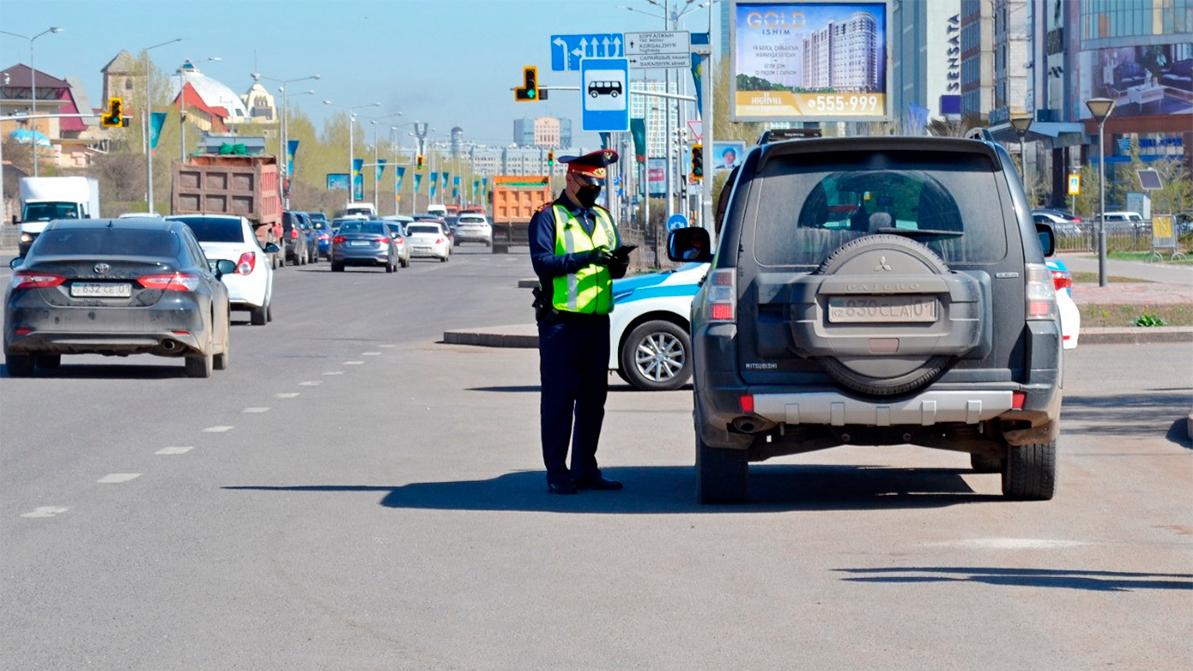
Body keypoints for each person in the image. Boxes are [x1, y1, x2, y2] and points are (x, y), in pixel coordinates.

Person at [528, 149, 628, 495]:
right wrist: (586, 258)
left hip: (597, 322)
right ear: (570, 179)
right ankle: (557, 471)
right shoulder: (548, 217)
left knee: (593, 399)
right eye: (588, 181)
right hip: (561, 324)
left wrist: (617, 264)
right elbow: (542, 262)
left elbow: (611, 262)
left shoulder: (601, 217)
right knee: (559, 399)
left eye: (599, 183)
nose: (594, 188)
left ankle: (586, 467)